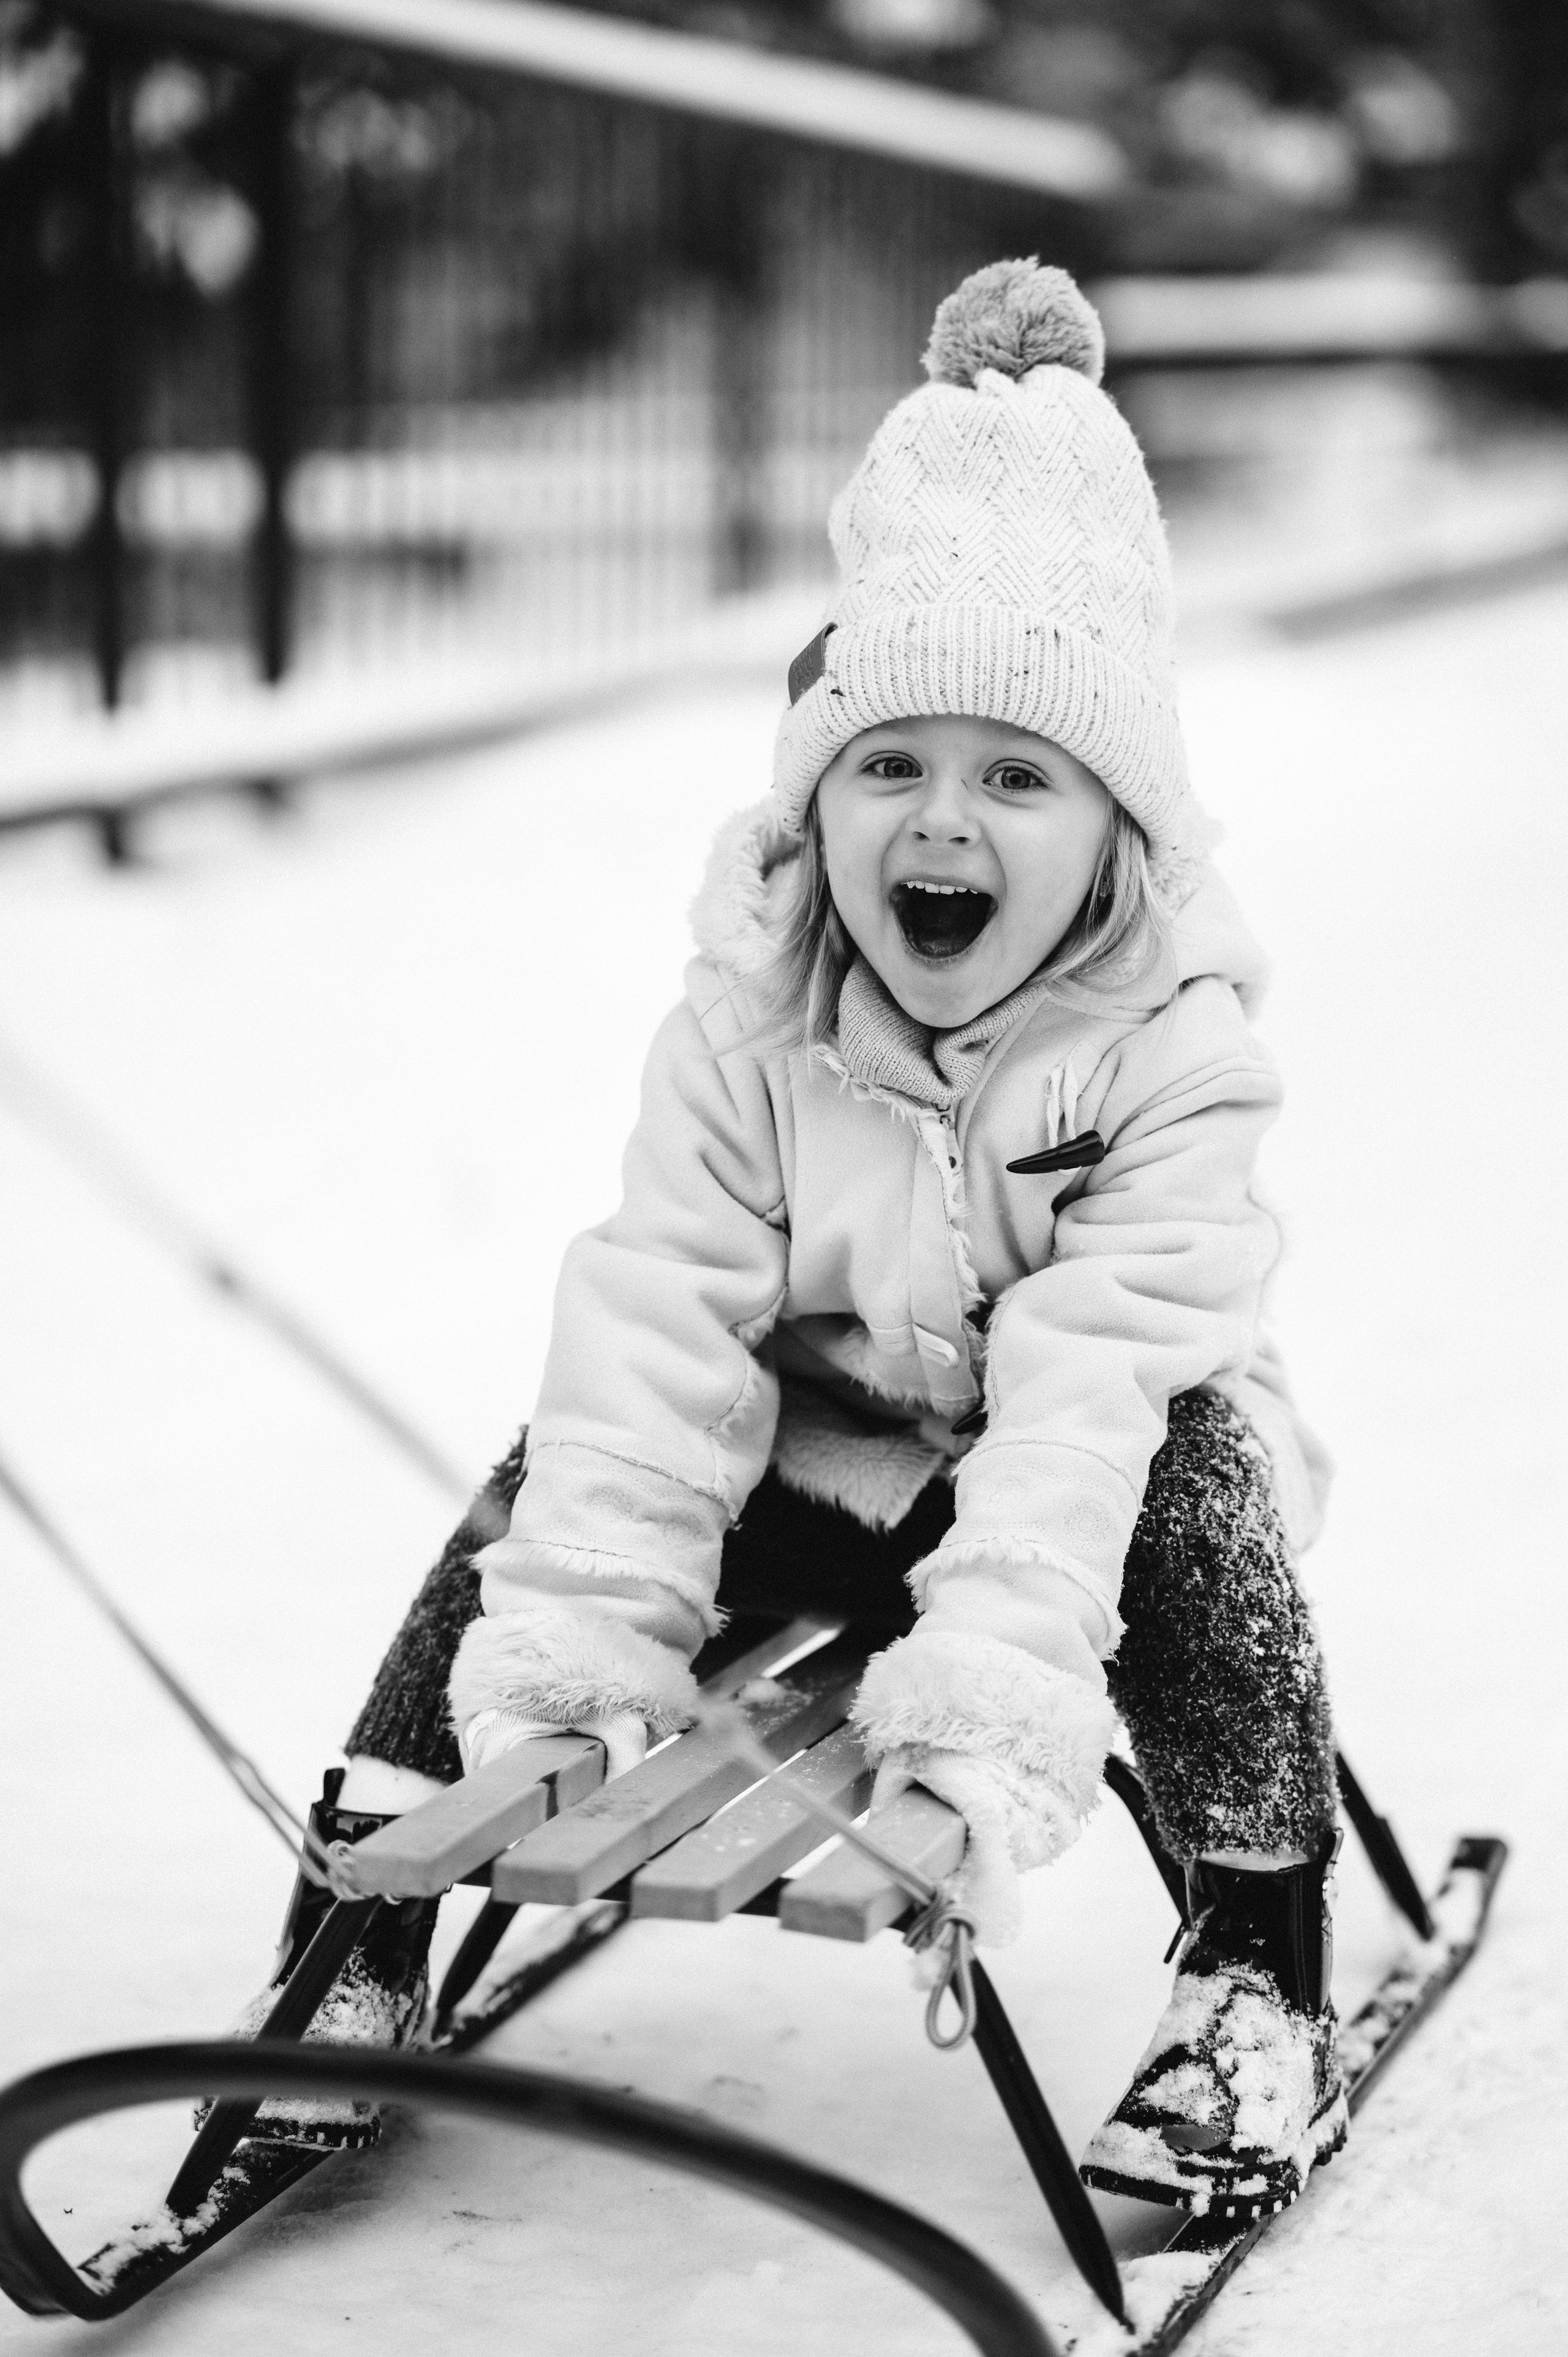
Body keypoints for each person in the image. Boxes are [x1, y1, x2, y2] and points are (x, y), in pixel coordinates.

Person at [239, 259, 1344, 2219]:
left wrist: (986, 1704)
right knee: (537, 1488)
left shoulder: (1177, 1060)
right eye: (889, 766)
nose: (942, 822)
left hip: (1090, 1465)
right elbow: (661, 1328)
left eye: (1019, 777)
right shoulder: (752, 1027)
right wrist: (578, 1661)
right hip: (825, 1453)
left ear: (1117, 831)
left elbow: (1090, 1395)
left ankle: (1259, 1958)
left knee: (1188, 1491)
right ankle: (363, 1927)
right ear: (815, 798)